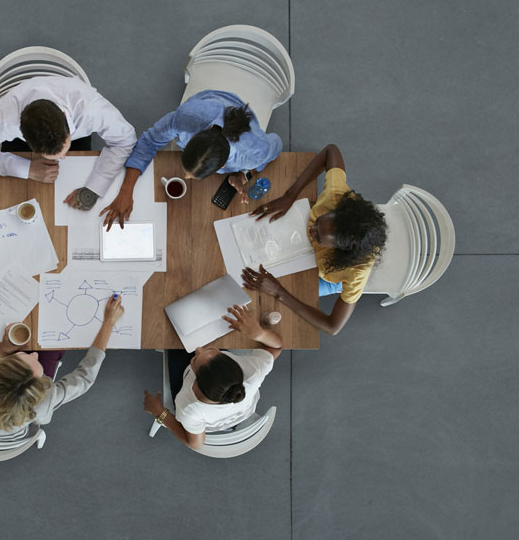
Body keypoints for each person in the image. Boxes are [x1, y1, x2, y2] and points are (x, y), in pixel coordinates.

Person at [242, 143, 387, 335]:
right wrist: (289, 195)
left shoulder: (356, 271)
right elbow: (331, 150)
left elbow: (333, 326)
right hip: (299, 246)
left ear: (339, 249)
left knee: (269, 296)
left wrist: (279, 291)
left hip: (327, 274)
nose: (311, 230)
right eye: (318, 222)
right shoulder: (336, 197)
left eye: (319, 236)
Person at [100, 90, 282, 230]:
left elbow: (277, 144)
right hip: (207, 102)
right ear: (190, 140)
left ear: (223, 166)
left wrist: (243, 175)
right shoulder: (186, 118)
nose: (185, 178)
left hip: (240, 121)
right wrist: (126, 191)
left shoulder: (255, 151)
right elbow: (148, 142)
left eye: (192, 175)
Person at [0, 295, 125, 439]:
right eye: (38, 369)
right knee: (53, 344)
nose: (34, 354)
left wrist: (2, 350)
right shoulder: (43, 404)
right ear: (42, 388)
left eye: (21, 357)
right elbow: (84, 378)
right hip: (9, 429)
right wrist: (109, 323)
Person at [0, 76, 136, 211]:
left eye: (64, 151)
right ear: (24, 137)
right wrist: (27, 169)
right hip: (21, 114)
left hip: (75, 111)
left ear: (65, 118)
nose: (63, 159)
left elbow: (125, 139)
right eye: (59, 155)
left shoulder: (91, 110)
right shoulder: (3, 120)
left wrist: (95, 187)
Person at [142, 303, 283, 449]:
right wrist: (259, 334)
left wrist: (160, 412)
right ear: (231, 362)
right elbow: (276, 346)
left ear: (195, 382)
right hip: (240, 413)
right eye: (214, 352)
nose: (198, 348)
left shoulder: (189, 409)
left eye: (195, 359)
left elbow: (195, 443)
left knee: (171, 337)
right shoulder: (253, 373)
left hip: (205, 421)